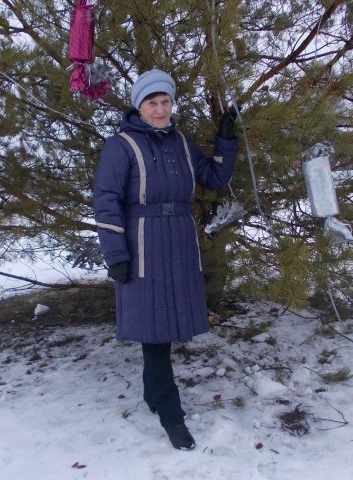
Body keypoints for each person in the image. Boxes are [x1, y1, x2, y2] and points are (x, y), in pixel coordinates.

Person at [93, 69, 238, 450]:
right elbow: (106, 201)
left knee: (164, 329)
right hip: (142, 245)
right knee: (154, 333)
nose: (159, 110)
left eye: (165, 102)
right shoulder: (121, 146)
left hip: (179, 243)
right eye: (151, 103)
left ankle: (152, 393)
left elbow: (214, 178)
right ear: (138, 107)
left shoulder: (182, 142)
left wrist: (225, 140)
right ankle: (173, 417)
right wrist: (115, 254)